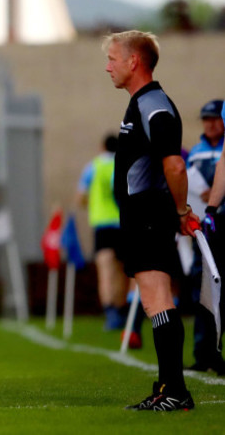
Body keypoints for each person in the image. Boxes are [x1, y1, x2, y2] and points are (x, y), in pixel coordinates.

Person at [103, 30, 199, 411]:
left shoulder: (154, 104)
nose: (107, 66)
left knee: (157, 299)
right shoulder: (140, 103)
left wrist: (180, 210)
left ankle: (175, 391)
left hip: (149, 215)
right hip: (141, 215)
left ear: (134, 62)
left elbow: (174, 163)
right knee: (152, 301)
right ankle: (169, 387)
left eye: (112, 58)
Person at [185, 100, 225, 374]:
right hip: (205, 224)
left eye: (215, 118)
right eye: (206, 119)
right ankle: (204, 352)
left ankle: (217, 351)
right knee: (204, 288)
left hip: (222, 218)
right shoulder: (196, 154)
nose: (210, 124)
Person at [76, 134, 130, 333]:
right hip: (123, 224)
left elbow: (80, 197)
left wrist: (93, 203)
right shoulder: (123, 164)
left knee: (106, 271)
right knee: (124, 271)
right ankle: (122, 309)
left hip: (102, 225)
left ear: (101, 147)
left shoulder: (93, 167)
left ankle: (111, 313)